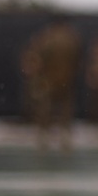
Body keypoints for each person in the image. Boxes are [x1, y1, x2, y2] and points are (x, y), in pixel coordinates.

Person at [28, 14, 82, 151]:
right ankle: (65, 136)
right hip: (66, 78)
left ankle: (43, 136)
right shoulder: (71, 37)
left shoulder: (47, 36)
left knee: (45, 108)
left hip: (49, 78)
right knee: (65, 109)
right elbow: (77, 58)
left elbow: (39, 57)